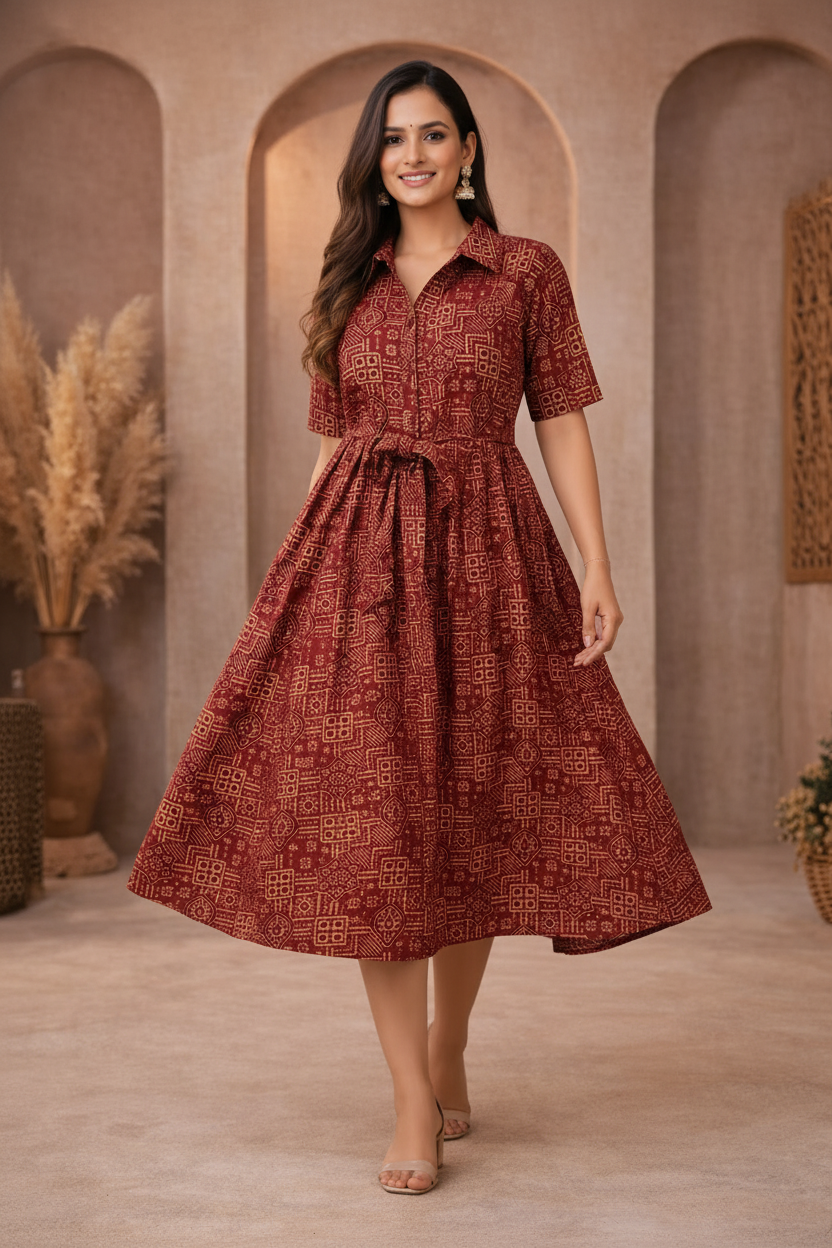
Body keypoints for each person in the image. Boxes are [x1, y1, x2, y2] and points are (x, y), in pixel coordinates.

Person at [127, 60, 711, 1196]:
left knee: (466, 813)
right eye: (393, 138)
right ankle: (409, 1093)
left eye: (434, 134)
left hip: (490, 557)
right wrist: (292, 576)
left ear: (468, 150)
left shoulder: (524, 271)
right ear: (373, 158)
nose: (413, 154)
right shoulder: (349, 277)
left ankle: (449, 1047)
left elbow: (563, 421)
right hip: (356, 566)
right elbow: (331, 442)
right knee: (378, 826)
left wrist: (596, 563)